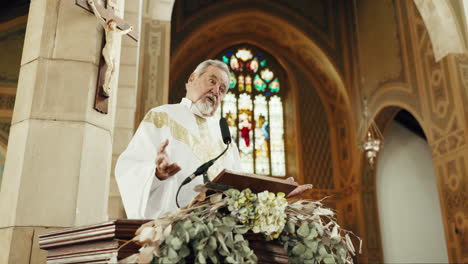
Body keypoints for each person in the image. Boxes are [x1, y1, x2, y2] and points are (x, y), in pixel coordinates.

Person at [116, 59, 312, 219]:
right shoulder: (161, 116)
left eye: (223, 89)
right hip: (169, 227)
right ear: (192, 78)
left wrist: (275, 193)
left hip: (217, 232)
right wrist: (157, 173)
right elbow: (128, 168)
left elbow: (240, 188)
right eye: (212, 81)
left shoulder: (223, 133)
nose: (216, 91)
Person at [88, 0, 133, 97]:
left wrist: (129, 29)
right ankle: (104, 87)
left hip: (113, 52)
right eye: (111, 23)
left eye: (114, 24)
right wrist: (93, 6)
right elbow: (99, 17)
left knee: (114, 69)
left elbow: (124, 32)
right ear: (109, 24)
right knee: (110, 67)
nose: (113, 25)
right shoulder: (107, 29)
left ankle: (108, 86)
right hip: (107, 50)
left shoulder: (117, 32)